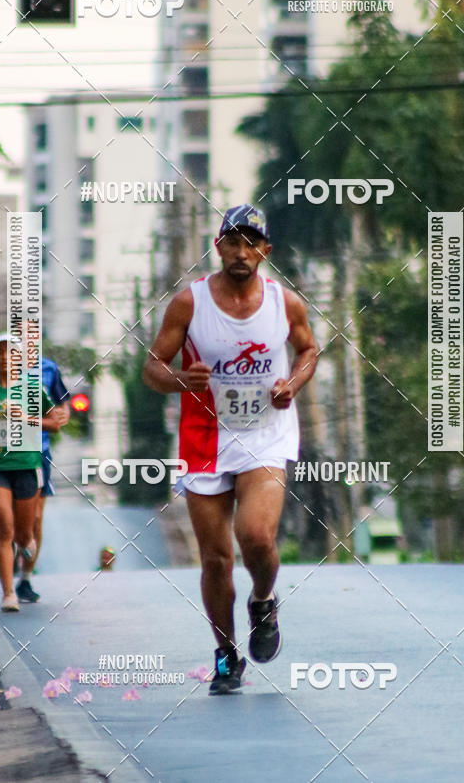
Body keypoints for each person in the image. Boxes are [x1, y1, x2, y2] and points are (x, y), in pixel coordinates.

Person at [142, 204, 318, 695]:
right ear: (218, 247)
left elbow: (308, 350)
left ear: (265, 251)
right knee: (216, 559)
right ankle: (225, 654)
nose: (241, 252)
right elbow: (152, 366)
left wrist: (294, 383)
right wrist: (180, 378)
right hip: (205, 440)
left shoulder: (284, 304)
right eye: (232, 242)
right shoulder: (189, 304)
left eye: (251, 243)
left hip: (266, 434)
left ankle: (263, 600)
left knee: (256, 536)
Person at [0, 332, 61, 611]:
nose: (4, 357)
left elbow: (54, 423)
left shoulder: (33, 387)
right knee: (3, 530)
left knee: (23, 531)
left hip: (27, 466)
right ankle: (9, 593)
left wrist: (27, 418)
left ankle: (27, 541)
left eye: (10, 352)